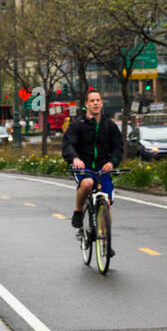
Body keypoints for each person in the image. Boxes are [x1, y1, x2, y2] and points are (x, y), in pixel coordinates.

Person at [61, 88, 123, 257]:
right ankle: (78, 211)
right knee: (87, 183)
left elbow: (118, 147)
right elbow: (68, 145)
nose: (96, 103)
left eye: (98, 100)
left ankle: (105, 242)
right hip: (84, 168)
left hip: (102, 169)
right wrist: (74, 158)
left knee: (106, 201)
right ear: (86, 104)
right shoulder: (77, 124)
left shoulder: (109, 125)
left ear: (102, 103)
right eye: (92, 100)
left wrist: (112, 162)